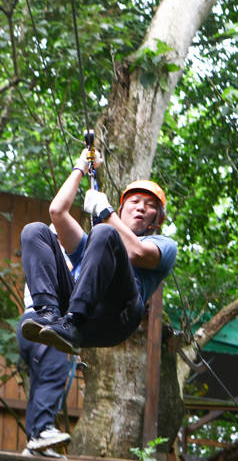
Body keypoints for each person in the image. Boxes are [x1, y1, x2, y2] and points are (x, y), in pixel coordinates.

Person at [18, 150, 177, 355]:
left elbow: (136, 253)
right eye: (135, 201)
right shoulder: (96, 245)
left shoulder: (164, 245)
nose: (141, 208)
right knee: (34, 231)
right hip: (75, 321)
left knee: (104, 232)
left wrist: (105, 211)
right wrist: (81, 167)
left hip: (117, 318)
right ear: (122, 210)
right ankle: (48, 313)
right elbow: (57, 211)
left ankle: (74, 319)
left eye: (150, 205)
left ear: (158, 219)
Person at [16, 284, 72, 456]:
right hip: (46, 321)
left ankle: (35, 443)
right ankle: (42, 430)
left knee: (38, 383)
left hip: (30, 320)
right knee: (54, 373)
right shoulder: (59, 263)